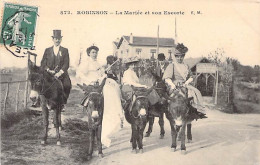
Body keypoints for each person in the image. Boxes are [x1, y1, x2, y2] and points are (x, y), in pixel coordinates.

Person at [163, 43, 205, 109]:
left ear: (183, 56)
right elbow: (167, 78)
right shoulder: (172, 65)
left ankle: (194, 109)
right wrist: (172, 85)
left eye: (181, 56)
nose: (179, 58)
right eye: (178, 56)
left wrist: (186, 82)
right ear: (175, 57)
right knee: (168, 98)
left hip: (185, 85)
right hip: (174, 85)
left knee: (195, 93)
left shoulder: (186, 66)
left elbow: (191, 77)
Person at [40, 29, 72, 110]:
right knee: (41, 84)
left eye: (59, 39)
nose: (57, 40)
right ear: (53, 39)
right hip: (49, 73)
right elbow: (43, 63)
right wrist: (48, 70)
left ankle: (63, 103)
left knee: (67, 85)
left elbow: (66, 63)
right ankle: (41, 102)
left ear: (61, 39)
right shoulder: (47, 50)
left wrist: (60, 72)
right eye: (56, 39)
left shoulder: (65, 50)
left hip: (61, 74)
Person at [101, 55, 124, 148]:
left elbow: (118, 81)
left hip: (115, 87)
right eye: (111, 62)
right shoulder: (104, 68)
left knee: (118, 97)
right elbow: (102, 77)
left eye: (113, 62)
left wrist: (118, 83)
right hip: (107, 87)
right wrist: (105, 73)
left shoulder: (115, 71)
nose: (113, 64)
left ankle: (119, 114)